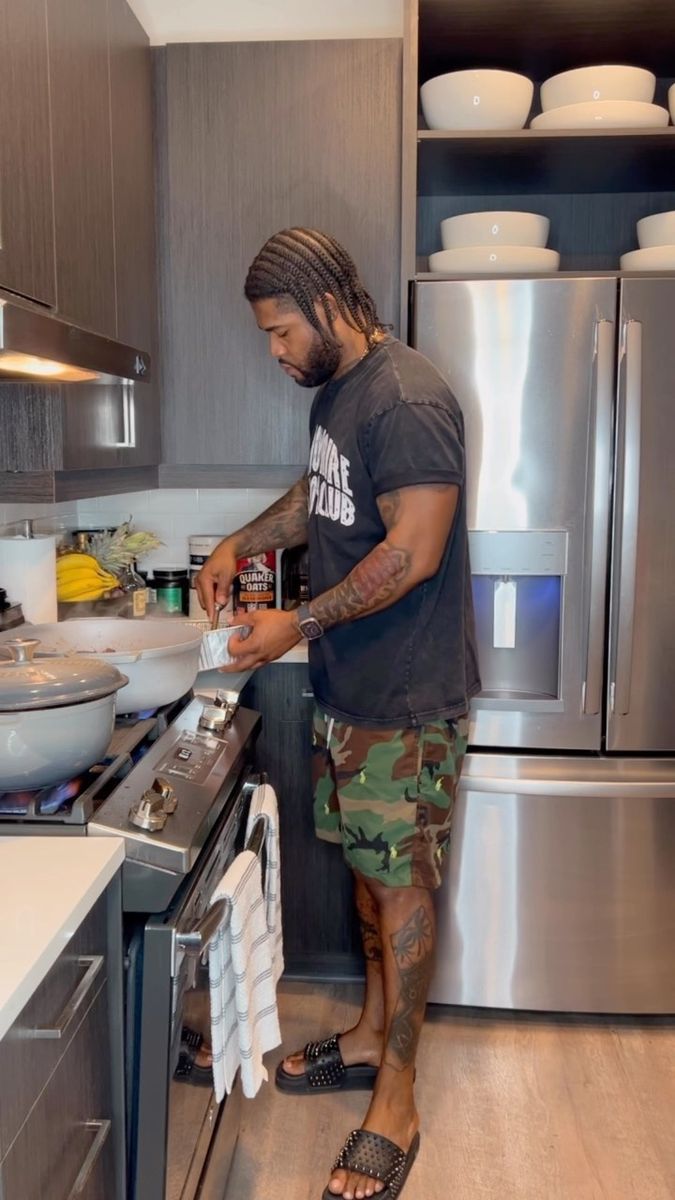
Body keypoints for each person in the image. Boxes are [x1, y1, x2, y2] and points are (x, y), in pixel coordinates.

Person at [196, 228, 480, 1200]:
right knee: (368, 876)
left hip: (406, 696)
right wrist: (241, 539)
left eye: (279, 332)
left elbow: (416, 549)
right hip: (354, 687)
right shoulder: (340, 394)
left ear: (326, 304)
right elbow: (319, 498)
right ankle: (366, 1035)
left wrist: (296, 624)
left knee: (401, 893)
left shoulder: (407, 397)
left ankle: (395, 1101)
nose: (274, 352)